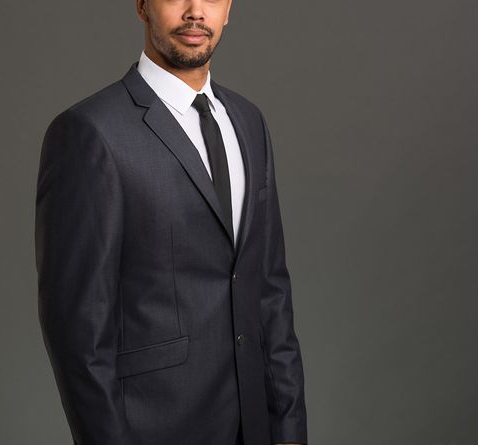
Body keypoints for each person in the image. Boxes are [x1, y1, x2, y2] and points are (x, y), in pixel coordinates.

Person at [34, 0, 308, 443]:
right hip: (154, 428)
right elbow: (78, 334)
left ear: (229, 8)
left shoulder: (249, 122)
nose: (195, 11)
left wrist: (290, 431)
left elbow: (270, 293)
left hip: (257, 427)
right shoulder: (90, 132)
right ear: (142, 5)